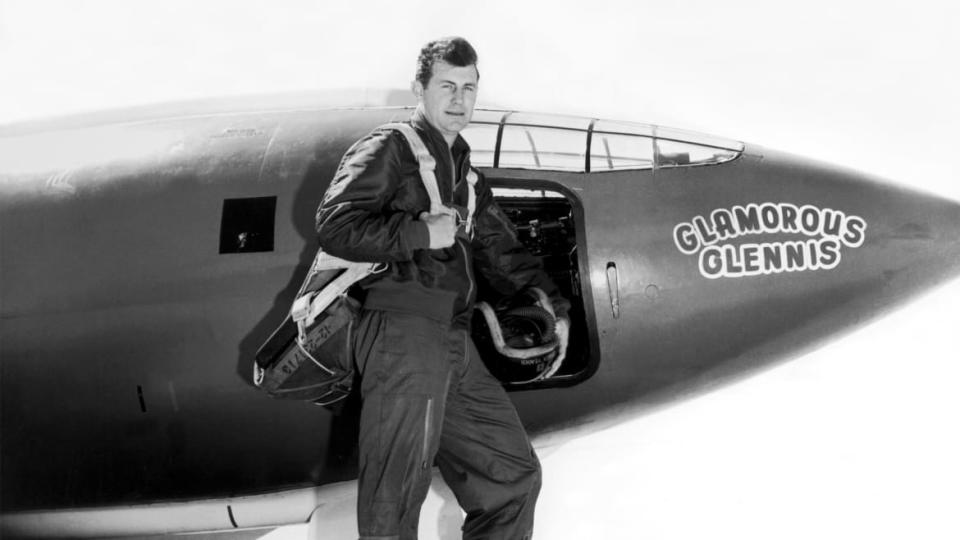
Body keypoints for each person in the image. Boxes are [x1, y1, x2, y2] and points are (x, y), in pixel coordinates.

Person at [315, 36, 570, 540]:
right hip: (401, 329)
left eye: (469, 88)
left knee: (512, 478)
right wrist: (417, 233)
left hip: (452, 340)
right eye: (447, 86)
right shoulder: (390, 147)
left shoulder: (467, 178)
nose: (459, 99)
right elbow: (335, 224)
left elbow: (506, 257)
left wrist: (555, 308)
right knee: (397, 489)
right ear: (420, 88)